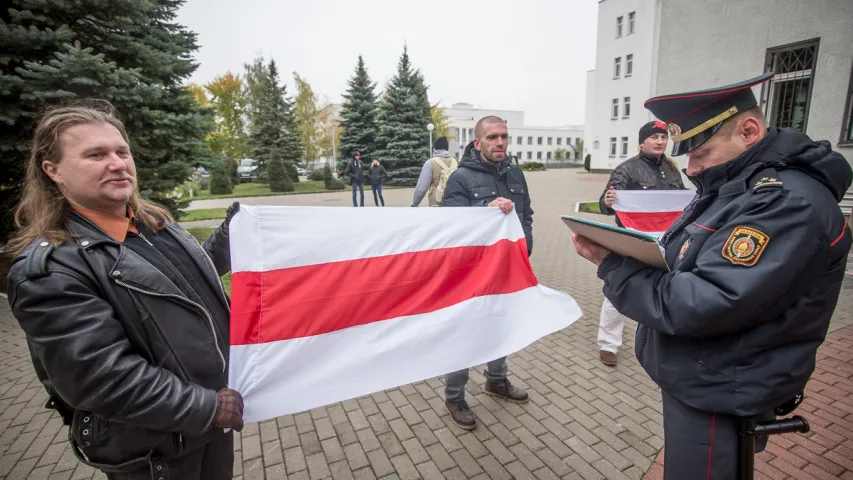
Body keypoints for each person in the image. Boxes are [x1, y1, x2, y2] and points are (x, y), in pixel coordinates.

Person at [572, 72, 852, 479]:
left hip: (724, 388)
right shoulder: (738, 185)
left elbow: (703, 302)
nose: (692, 167)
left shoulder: (785, 201)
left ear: (749, 130)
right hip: (707, 376)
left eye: (701, 151)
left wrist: (611, 264)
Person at [6, 100, 244, 480]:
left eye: (121, 151)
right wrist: (206, 407)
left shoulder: (152, 224)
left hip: (209, 423)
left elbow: (183, 285)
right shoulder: (50, 270)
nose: (117, 163)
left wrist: (231, 237)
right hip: (156, 449)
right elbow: (101, 377)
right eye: (96, 154)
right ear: (53, 171)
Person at [440, 116, 533, 430]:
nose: (501, 143)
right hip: (472, 273)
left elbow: (526, 215)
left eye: (504, 137)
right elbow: (451, 227)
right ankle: (455, 396)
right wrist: (484, 212)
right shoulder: (461, 178)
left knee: (501, 327)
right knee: (466, 334)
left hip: (509, 269)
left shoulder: (515, 172)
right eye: (493, 137)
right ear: (477, 143)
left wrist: (525, 248)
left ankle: (496, 380)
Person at [596, 121, 687, 366]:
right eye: (654, 137)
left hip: (667, 240)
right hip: (633, 241)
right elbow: (605, 205)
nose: (660, 141)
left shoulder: (672, 169)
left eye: (663, 137)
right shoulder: (626, 169)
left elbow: (681, 200)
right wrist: (608, 200)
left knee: (664, 289)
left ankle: (661, 342)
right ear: (642, 141)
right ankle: (608, 344)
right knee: (620, 288)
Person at [411, 136, 458, 207]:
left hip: (436, 205)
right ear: (447, 148)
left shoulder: (430, 163)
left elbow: (421, 189)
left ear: (434, 148)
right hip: (455, 204)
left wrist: (415, 204)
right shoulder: (456, 162)